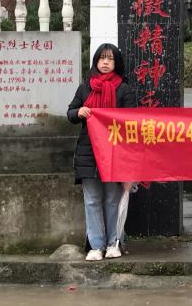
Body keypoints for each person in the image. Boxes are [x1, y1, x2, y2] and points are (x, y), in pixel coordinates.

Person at [67, 43, 139, 262]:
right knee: (91, 200)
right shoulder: (85, 88)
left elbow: (132, 122)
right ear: (96, 61)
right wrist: (79, 112)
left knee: (112, 199)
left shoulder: (124, 90)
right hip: (88, 153)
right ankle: (96, 246)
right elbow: (70, 113)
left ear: (117, 63)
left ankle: (113, 243)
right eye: (102, 58)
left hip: (114, 153)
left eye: (110, 59)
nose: (105, 62)